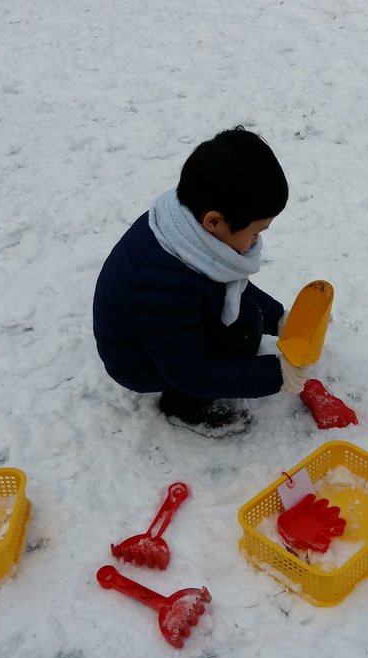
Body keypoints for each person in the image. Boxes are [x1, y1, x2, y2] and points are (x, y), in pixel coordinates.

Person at [92, 127, 308, 436]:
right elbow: (190, 372)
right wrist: (276, 375)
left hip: (165, 329)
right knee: (243, 334)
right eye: (256, 231)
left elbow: (228, 284)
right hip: (142, 362)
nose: (257, 241)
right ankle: (186, 407)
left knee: (248, 319)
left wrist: (278, 319)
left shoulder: (188, 232)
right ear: (215, 221)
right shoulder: (160, 284)